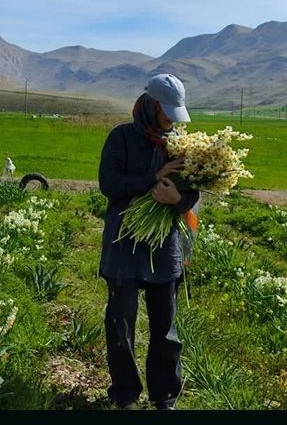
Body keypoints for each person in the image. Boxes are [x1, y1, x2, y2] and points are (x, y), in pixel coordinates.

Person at [98, 73, 200, 410]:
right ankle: (125, 395)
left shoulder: (180, 145)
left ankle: (165, 396)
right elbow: (109, 183)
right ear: (151, 105)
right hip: (125, 241)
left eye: (175, 113)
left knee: (166, 328)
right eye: (166, 112)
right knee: (120, 324)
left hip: (164, 245)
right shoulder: (122, 138)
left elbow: (193, 194)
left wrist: (176, 201)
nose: (171, 120)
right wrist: (153, 178)